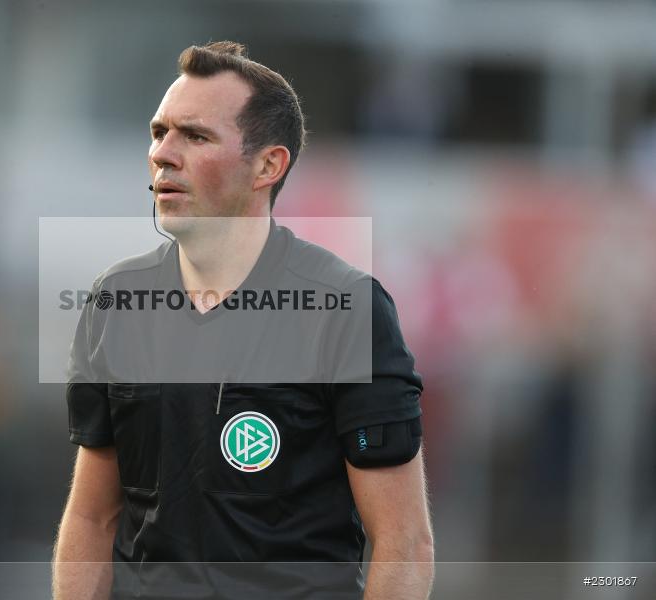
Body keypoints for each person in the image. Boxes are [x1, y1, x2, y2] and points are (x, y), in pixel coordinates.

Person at [53, 41, 434, 599]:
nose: (163, 154)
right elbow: (91, 518)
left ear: (268, 166)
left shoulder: (344, 309)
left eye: (196, 136)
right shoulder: (118, 301)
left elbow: (404, 542)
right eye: (160, 132)